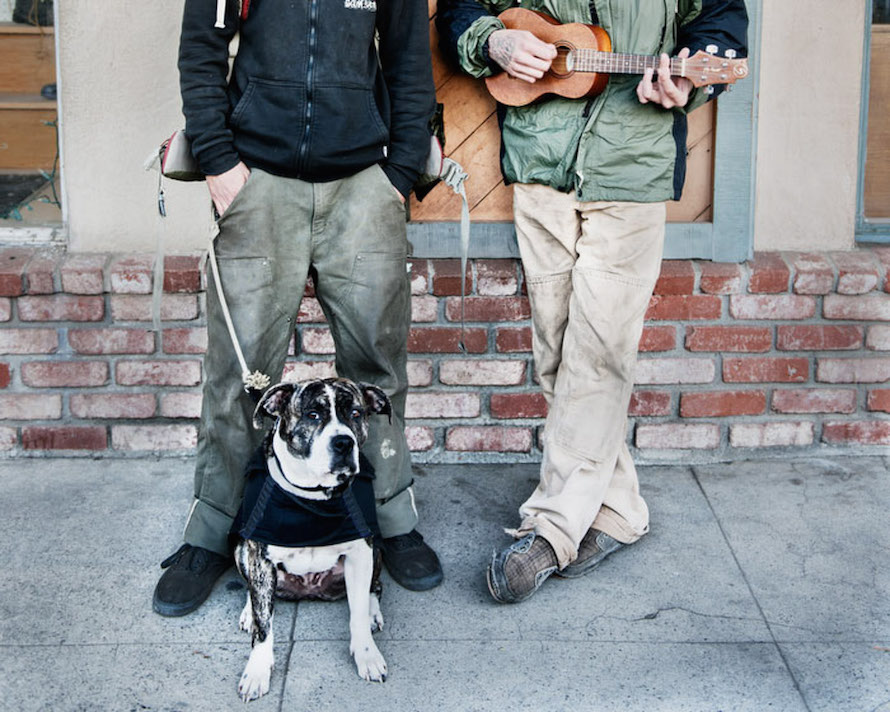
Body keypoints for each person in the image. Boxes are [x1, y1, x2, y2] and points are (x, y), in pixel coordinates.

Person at [437, 0, 748, 603]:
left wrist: (689, 78)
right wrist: (492, 43)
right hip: (538, 162)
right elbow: (460, 10)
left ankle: (550, 530)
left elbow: (721, 23)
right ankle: (619, 507)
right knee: (556, 346)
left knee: (600, 347)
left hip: (633, 167)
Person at [153, 0, 443, 617]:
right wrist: (221, 165)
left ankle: (392, 521)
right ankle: (211, 532)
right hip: (256, 183)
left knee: (376, 371)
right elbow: (200, 55)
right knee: (239, 374)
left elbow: (410, 63)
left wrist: (398, 175)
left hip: (366, 184)